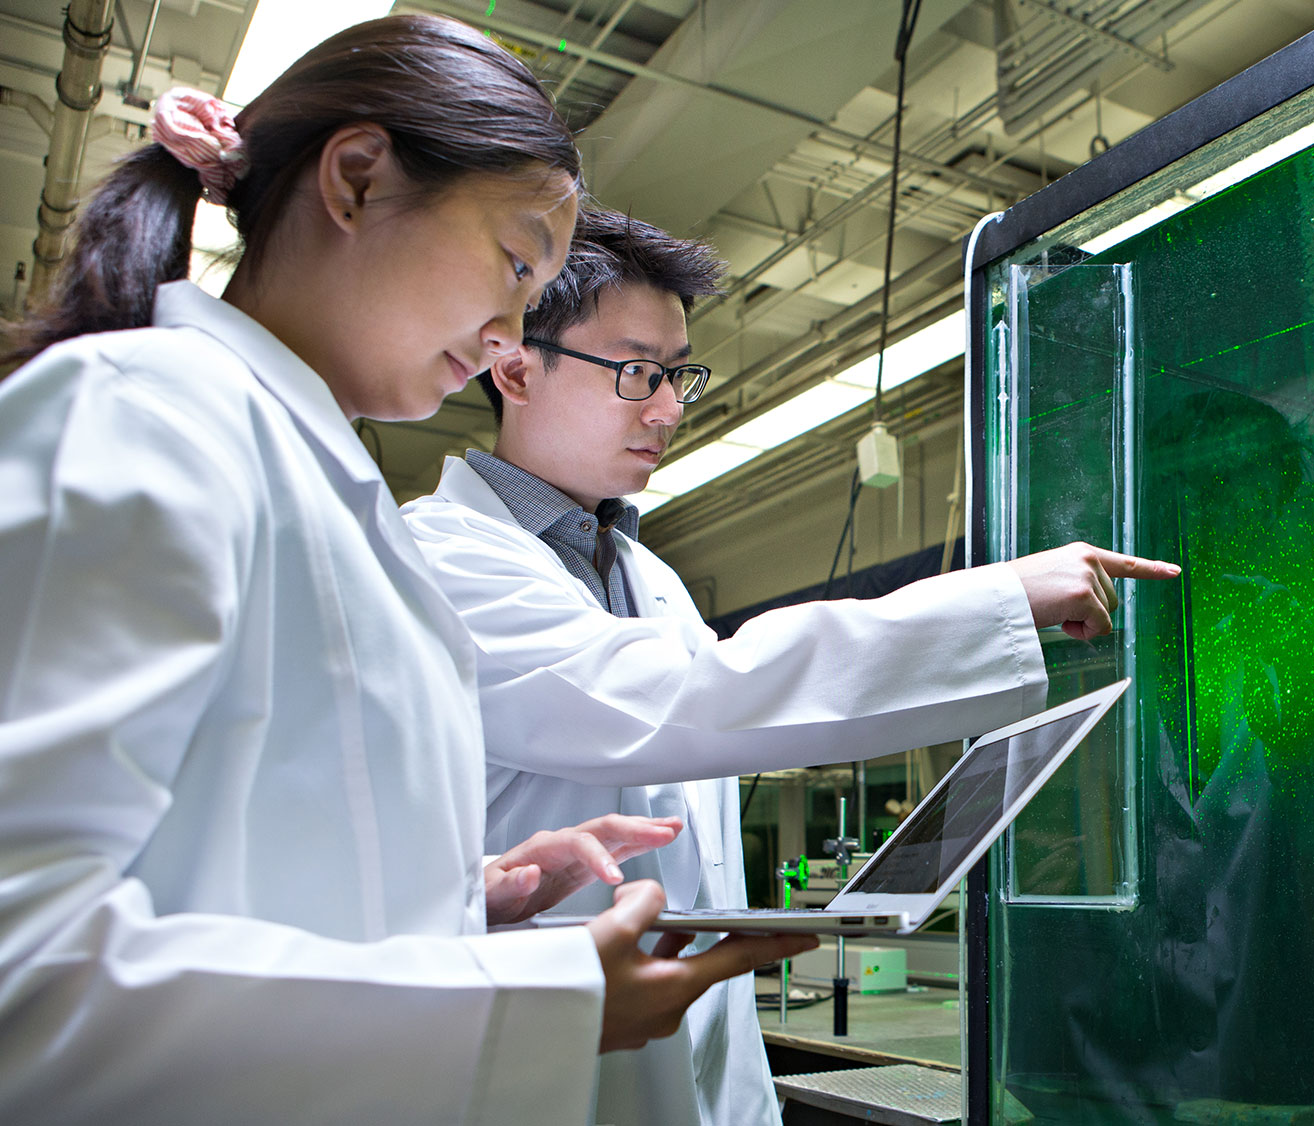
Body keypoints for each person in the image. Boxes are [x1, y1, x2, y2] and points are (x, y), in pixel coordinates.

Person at [0, 17, 811, 1124]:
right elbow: (23, 977)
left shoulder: (327, 489)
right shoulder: (142, 414)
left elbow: (227, 881)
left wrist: (457, 903)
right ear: (357, 179)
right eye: (515, 262)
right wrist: (523, 1000)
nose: (506, 334)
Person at [401, 205, 1180, 1125]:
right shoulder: (441, 559)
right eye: (636, 373)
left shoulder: (644, 574)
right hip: (538, 1082)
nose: (669, 408)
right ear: (515, 365)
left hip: (697, 1071)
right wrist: (995, 599)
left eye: (679, 374)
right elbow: (683, 702)